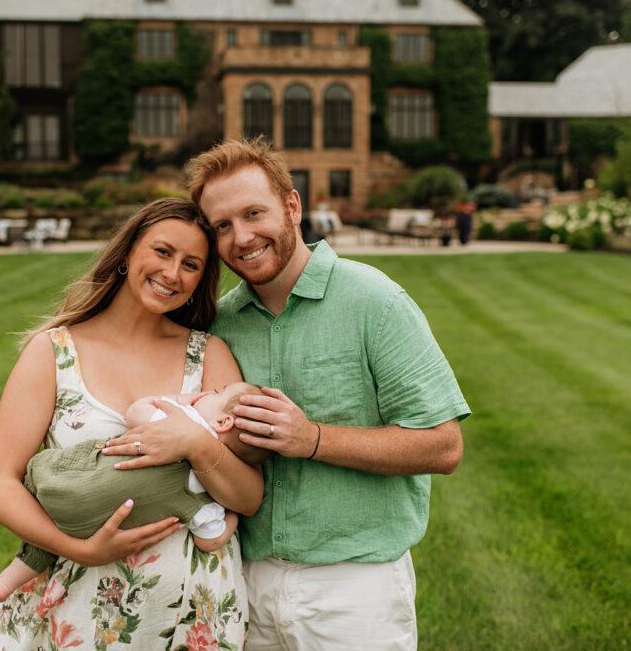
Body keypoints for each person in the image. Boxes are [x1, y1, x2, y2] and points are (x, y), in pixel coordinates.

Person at [179, 138, 470, 650]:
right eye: (221, 226)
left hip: (356, 588)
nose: (241, 237)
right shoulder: (218, 324)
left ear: (292, 207)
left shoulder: (374, 301)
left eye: (253, 213)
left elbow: (443, 446)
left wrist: (312, 438)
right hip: (242, 579)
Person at [0, 199, 263, 650]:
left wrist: (195, 443)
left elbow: (247, 498)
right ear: (128, 254)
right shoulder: (52, 353)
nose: (173, 273)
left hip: (190, 614)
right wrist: (80, 549)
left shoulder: (209, 357)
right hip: (73, 605)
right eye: (163, 252)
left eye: (191, 264)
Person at [0, 381, 270, 602]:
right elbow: (211, 540)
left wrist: (181, 402)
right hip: (92, 525)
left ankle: (9, 576)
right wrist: (229, 513)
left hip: (60, 480)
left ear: (223, 422)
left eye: (216, 393)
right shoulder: (206, 498)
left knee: (54, 490)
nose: (207, 393)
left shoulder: (182, 421)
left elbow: (136, 412)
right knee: (69, 523)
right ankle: (8, 580)